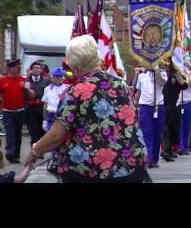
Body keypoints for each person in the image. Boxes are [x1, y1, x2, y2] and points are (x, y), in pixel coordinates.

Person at [23, 35, 148, 183]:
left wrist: (35, 150)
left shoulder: (75, 91)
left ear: (74, 64)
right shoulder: (122, 86)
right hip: (131, 167)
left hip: (90, 171)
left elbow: (57, 135)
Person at [0, 59, 35, 164]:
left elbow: (31, 96)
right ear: (10, 68)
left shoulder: (22, 80)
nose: (18, 69)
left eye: (19, 67)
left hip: (20, 111)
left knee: (17, 134)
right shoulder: (3, 81)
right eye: (16, 67)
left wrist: (26, 89)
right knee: (10, 133)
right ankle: (10, 153)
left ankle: (16, 155)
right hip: (7, 112)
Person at [136, 65, 168, 167]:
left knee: (157, 133)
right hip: (145, 107)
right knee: (147, 133)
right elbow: (138, 91)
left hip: (158, 106)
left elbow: (162, 82)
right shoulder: (142, 76)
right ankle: (149, 157)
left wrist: (156, 70)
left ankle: (154, 158)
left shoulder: (162, 73)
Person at [162, 65, 188, 161]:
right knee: (166, 131)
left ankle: (171, 150)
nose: (167, 69)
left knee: (174, 131)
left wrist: (176, 74)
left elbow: (184, 85)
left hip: (174, 107)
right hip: (163, 106)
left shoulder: (177, 76)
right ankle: (166, 151)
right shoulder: (161, 76)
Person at [25, 61, 50, 149]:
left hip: (42, 108)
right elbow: (24, 94)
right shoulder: (27, 81)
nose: (36, 70)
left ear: (41, 70)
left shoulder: (46, 80)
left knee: (42, 130)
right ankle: (34, 149)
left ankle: (40, 149)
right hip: (31, 109)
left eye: (38, 68)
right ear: (31, 70)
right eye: (34, 68)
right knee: (33, 131)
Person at [177, 66, 191, 155]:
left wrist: (187, 76)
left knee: (186, 125)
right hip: (177, 102)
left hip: (188, 101)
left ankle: (184, 146)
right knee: (178, 125)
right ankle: (178, 146)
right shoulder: (177, 73)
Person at [41, 68, 69, 132]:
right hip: (50, 115)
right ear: (52, 78)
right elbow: (45, 105)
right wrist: (45, 120)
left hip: (62, 115)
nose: (58, 79)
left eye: (60, 77)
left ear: (63, 78)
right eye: (56, 77)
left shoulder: (67, 88)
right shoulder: (47, 89)